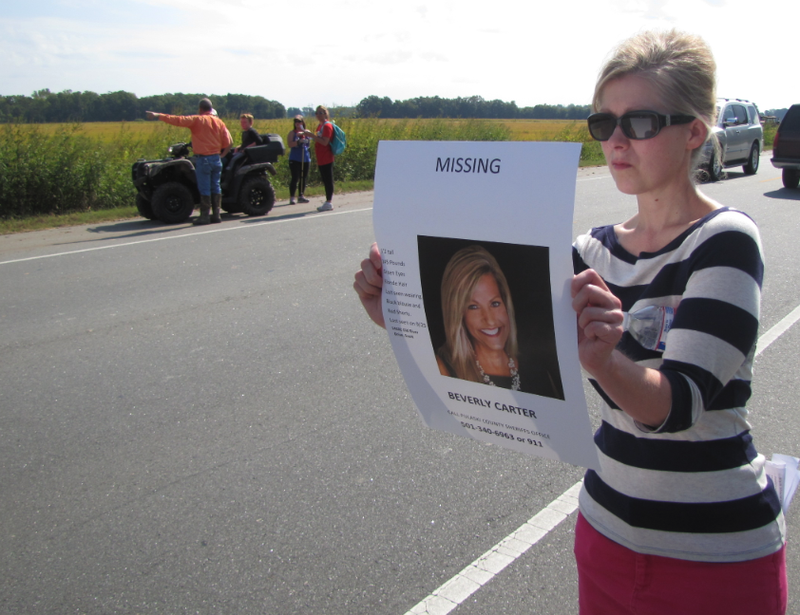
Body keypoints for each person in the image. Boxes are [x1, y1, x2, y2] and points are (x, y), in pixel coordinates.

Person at [354, 30, 787, 615]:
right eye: (603, 123)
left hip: (714, 556)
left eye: (639, 122)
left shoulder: (725, 241)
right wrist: (400, 315)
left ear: (694, 132)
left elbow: (677, 405)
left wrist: (604, 361)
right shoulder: (591, 253)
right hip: (605, 534)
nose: (616, 141)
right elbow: (505, 350)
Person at [146, 98, 232, 225]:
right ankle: (216, 214)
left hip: (204, 159)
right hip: (216, 159)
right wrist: (222, 154)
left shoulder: (197, 120)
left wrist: (158, 115)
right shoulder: (219, 122)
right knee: (215, 186)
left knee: (205, 188)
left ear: (200, 109)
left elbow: (178, 120)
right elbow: (229, 142)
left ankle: (204, 216)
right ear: (210, 109)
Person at [302, 105, 335, 212]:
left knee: (328, 179)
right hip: (321, 157)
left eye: (321, 112)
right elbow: (318, 139)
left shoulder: (327, 126)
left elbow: (325, 142)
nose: (319, 115)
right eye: (317, 113)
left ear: (326, 113)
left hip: (327, 156)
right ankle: (327, 201)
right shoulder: (320, 126)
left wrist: (312, 136)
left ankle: (329, 202)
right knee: (325, 179)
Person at [287, 115, 311, 205]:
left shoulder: (306, 132)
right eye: (296, 122)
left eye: (299, 122)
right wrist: (298, 141)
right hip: (295, 158)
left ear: (302, 123)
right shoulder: (292, 133)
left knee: (303, 177)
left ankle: (301, 195)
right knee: (295, 177)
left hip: (305, 158)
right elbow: (290, 144)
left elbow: (309, 143)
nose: (297, 123)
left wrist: (306, 138)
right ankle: (292, 197)